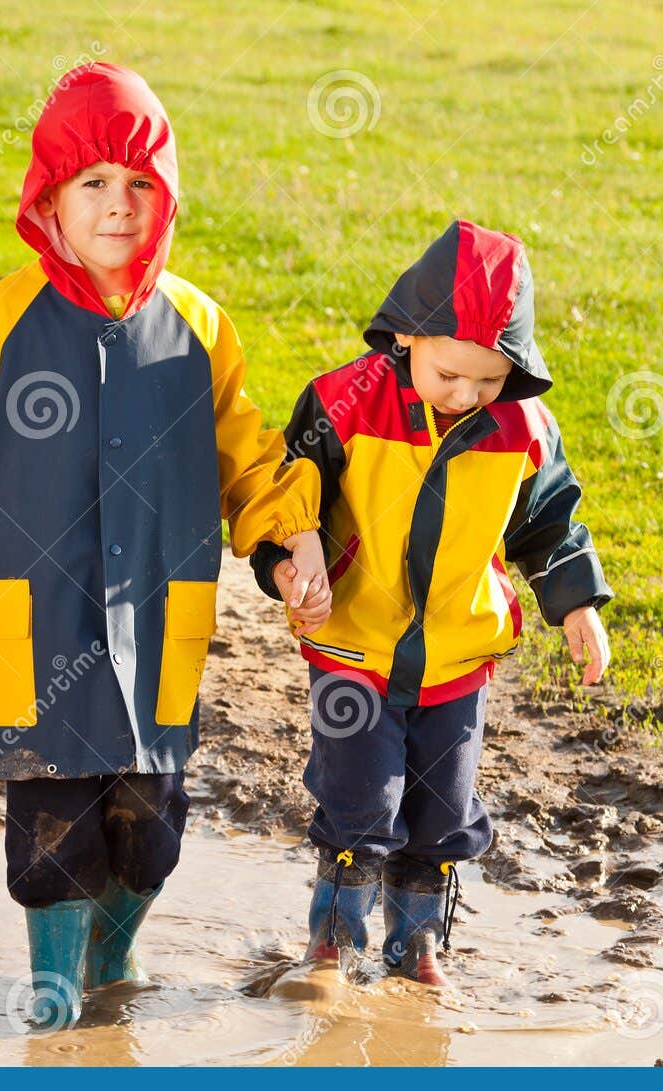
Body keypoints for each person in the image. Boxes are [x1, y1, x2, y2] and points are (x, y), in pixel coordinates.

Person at [0, 62, 327, 1029]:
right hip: (31, 623)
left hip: (156, 623)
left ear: (166, 198)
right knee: (53, 834)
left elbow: (247, 455)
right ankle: (50, 991)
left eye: (140, 184)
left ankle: (111, 954)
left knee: (150, 830)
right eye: (93, 184)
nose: (119, 206)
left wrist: (290, 536)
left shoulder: (201, 326)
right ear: (48, 199)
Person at [252, 219, 612, 985]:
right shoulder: (344, 399)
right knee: (360, 802)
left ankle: (416, 944)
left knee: (444, 808)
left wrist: (578, 603)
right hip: (353, 648)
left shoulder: (523, 427)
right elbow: (286, 488)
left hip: (457, 656)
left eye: (488, 379)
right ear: (408, 337)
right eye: (450, 373)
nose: (467, 394)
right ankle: (333, 942)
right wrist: (293, 556)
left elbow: (551, 522)